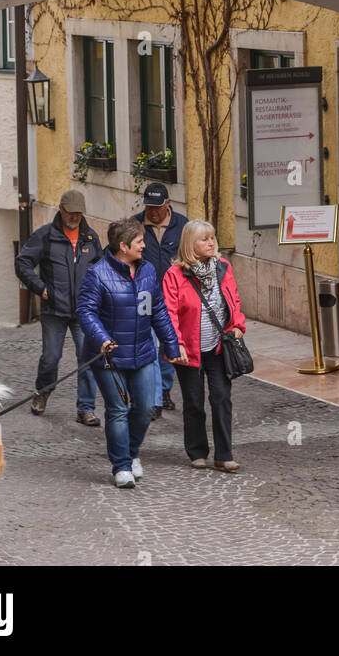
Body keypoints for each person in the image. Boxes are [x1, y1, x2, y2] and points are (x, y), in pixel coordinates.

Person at [77, 217, 181, 488]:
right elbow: (86, 311)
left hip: (143, 352)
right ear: (123, 246)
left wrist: (172, 345)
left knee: (146, 408)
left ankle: (133, 452)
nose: (144, 246)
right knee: (118, 409)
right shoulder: (97, 273)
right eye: (138, 242)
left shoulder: (147, 271)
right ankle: (121, 465)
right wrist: (102, 338)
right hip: (108, 357)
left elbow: (158, 310)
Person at [162, 220, 246, 473]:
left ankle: (224, 454)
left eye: (212, 238)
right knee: (194, 401)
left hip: (219, 347)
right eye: (204, 239)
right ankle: (197, 452)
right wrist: (176, 345)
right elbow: (169, 312)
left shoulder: (223, 267)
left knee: (221, 398)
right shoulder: (175, 275)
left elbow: (234, 299)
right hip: (189, 349)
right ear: (190, 244)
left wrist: (238, 325)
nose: (210, 243)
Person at [14, 189, 102, 425]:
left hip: (84, 310)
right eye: (70, 213)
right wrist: (41, 288)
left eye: (78, 213)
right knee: (51, 357)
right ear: (61, 210)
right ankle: (42, 391)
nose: (74, 217)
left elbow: (101, 269)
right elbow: (22, 263)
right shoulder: (45, 235)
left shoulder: (91, 238)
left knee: (87, 358)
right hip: (54, 308)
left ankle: (86, 408)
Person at [133, 182, 187, 414]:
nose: (152, 212)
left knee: (168, 348)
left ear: (168, 204)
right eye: (149, 207)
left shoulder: (183, 225)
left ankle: (164, 389)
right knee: (149, 349)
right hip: (145, 298)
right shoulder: (134, 225)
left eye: (157, 207)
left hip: (174, 299)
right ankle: (154, 400)